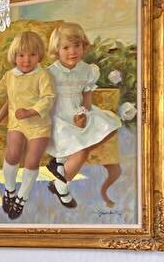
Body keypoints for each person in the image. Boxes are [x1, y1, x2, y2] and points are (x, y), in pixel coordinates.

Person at [0, 31, 54, 220]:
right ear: (14, 56)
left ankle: (21, 198)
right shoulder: (10, 76)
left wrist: (31, 111)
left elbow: (48, 99)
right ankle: (10, 190)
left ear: (39, 56)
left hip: (39, 125)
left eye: (32, 55)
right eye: (21, 55)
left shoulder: (42, 75)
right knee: (12, 153)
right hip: (17, 124)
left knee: (32, 160)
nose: (26, 60)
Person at [43, 22, 121, 209]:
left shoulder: (87, 70)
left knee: (111, 125)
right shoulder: (49, 73)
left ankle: (59, 167)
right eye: (66, 48)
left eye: (77, 46)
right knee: (82, 150)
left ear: (83, 46)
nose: (72, 52)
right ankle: (61, 185)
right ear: (56, 51)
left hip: (78, 113)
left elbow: (87, 95)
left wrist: (83, 113)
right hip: (58, 118)